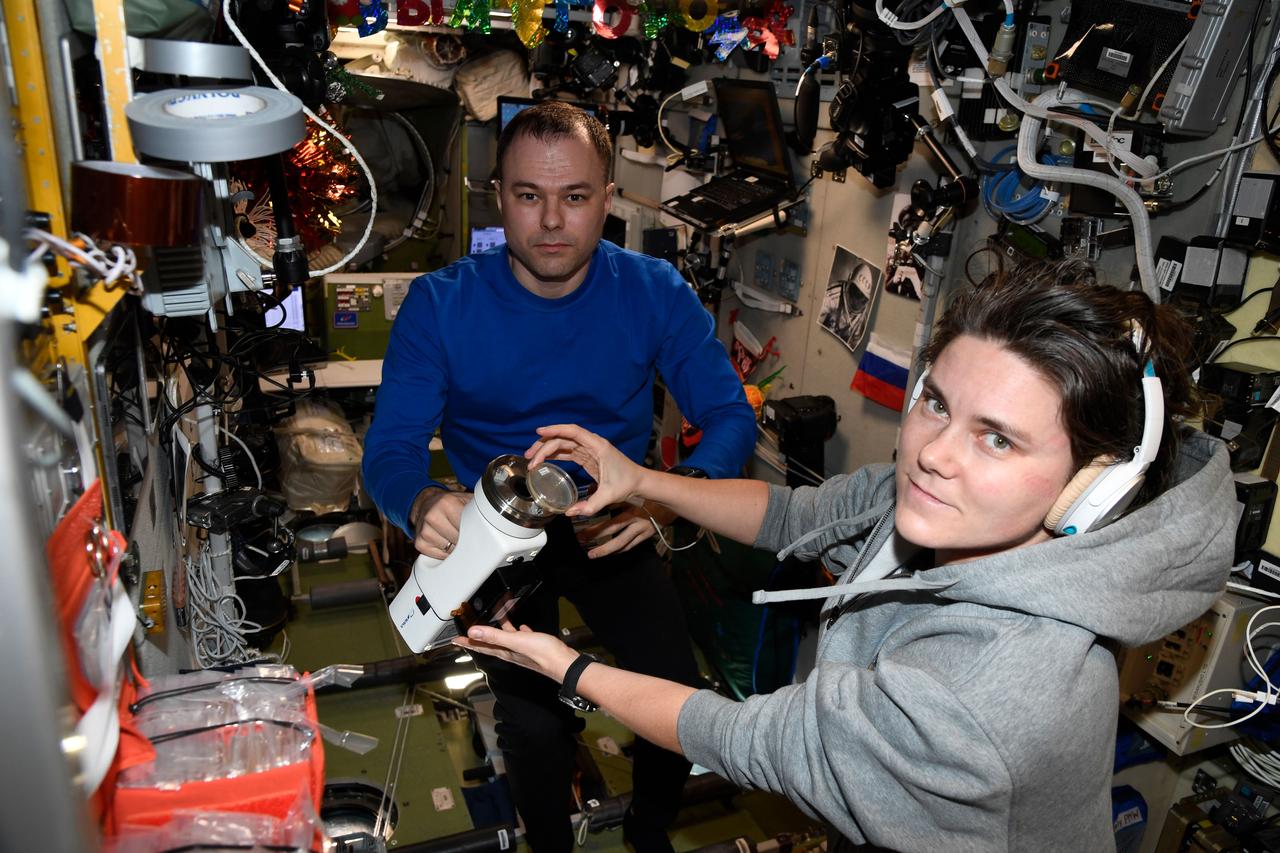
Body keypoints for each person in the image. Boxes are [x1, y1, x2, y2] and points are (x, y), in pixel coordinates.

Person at [454, 260, 1236, 850]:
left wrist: (568, 668)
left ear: (1090, 489)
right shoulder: (944, 507)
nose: (933, 453)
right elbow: (798, 511)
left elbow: (746, 739)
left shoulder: (986, 688)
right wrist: (644, 482)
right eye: (936, 401)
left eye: (998, 437)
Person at [362, 101, 756, 851]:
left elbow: (731, 418)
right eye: (528, 196)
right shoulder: (440, 305)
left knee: (674, 696)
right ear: (496, 195)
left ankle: (648, 831)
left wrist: (664, 502)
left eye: (575, 197)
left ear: (607, 200)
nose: (551, 221)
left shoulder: (656, 292)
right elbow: (389, 448)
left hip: (615, 527)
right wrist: (420, 500)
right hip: (498, 540)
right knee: (536, 727)